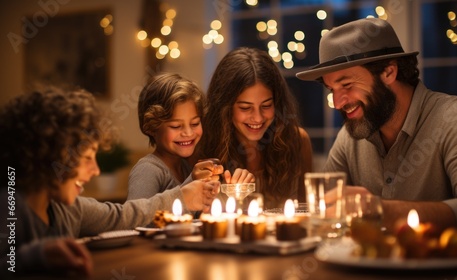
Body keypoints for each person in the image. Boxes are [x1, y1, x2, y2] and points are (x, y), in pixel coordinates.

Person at [296, 18, 457, 237]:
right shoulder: (349, 136)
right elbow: (325, 211)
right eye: (331, 89)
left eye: (347, 85)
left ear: (388, 72)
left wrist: (383, 210)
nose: (337, 102)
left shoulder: (456, 118)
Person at [0, 87, 220, 276]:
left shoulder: (70, 209)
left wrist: (184, 196)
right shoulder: (9, 206)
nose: (95, 170)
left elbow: (125, 215)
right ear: (49, 156)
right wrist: (37, 255)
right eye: (87, 158)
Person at [199, 47, 313, 209]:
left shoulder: (297, 141)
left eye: (266, 105)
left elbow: (306, 210)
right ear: (225, 108)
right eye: (245, 108)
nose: (258, 118)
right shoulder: (205, 145)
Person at [128, 73, 254, 200]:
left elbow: (198, 214)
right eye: (176, 126)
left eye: (195, 123)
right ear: (151, 127)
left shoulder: (186, 167)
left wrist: (232, 190)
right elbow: (136, 217)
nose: (188, 133)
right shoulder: (147, 170)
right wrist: (192, 182)